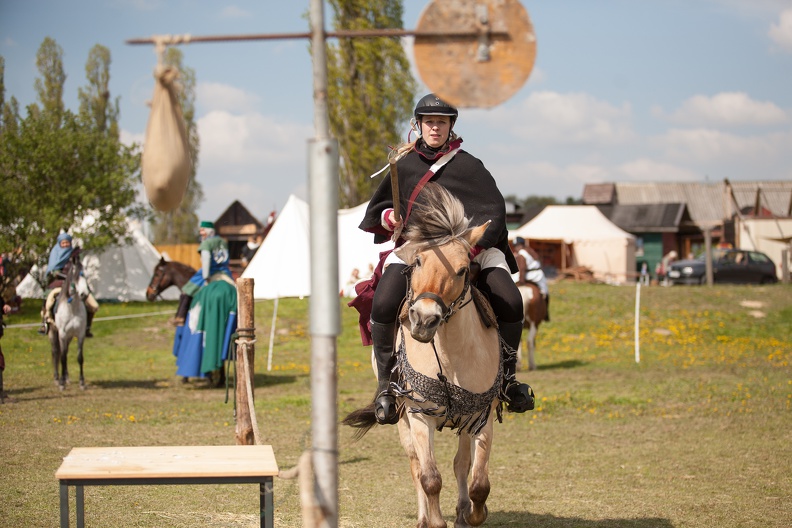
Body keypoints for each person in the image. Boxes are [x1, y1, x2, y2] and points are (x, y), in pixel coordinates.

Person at [356, 93, 535, 425]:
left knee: (511, 300)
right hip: (418, 249)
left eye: (441, 122)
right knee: (383, 304)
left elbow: (494, 214)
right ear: (418, 125)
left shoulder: (470, 166)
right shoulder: (404, 165)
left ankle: (508, 381)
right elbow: (380, 209)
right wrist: (390, 219)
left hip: (472, 250)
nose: (434, 127)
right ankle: (387, 386)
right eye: (428, 122)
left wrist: (466, 249)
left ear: (450, 125)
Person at [172, 221, 233, 326]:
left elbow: (206, 259)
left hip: (211, 271)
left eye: (202, 230)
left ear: (209, 231)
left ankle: (180, 317)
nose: (201, 232)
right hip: (225, 272)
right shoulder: (223, 241)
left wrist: (206, 277)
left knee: (186, 291)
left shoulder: (206, 243)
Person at [38, 233, 99, 337]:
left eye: (67, 242)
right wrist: (64, 277)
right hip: (58, 283)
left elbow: (79, 267)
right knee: (49, 301)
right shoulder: (55, 254)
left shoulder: (74, 254)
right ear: (60, 243)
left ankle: (87, 327)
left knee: (93, 305)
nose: (65, 244)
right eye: (63, 242)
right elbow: (53, 271)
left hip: (75, 283)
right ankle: (45, 323)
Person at [513, 237, 550, 321]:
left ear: (522, 245)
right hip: (538, 275)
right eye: (516, 246)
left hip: (528, 275)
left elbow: (522, 268)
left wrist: (521, 280)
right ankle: (546, 314)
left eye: (518, 245)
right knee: (545, 292)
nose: (517, 247)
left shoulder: (521, 254)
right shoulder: (530, 250)